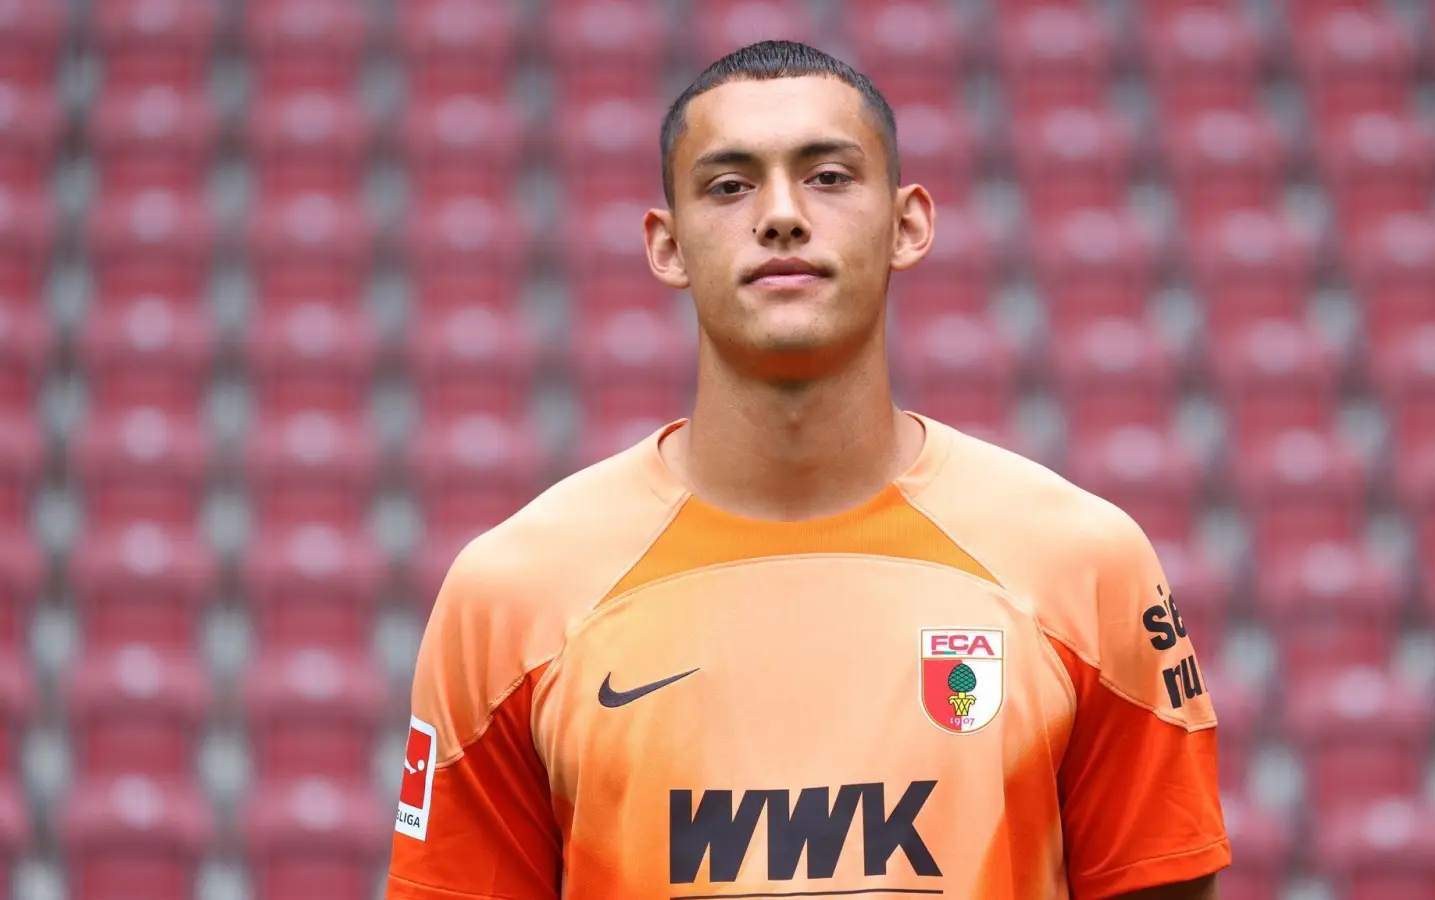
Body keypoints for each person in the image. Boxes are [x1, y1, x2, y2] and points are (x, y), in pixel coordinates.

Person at [387, 40, 1229, 900]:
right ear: (666, 244)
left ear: (908, 225)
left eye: (828, 176)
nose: (781, 214)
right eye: (729, 184)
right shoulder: (511, 593)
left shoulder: (1084, 564)